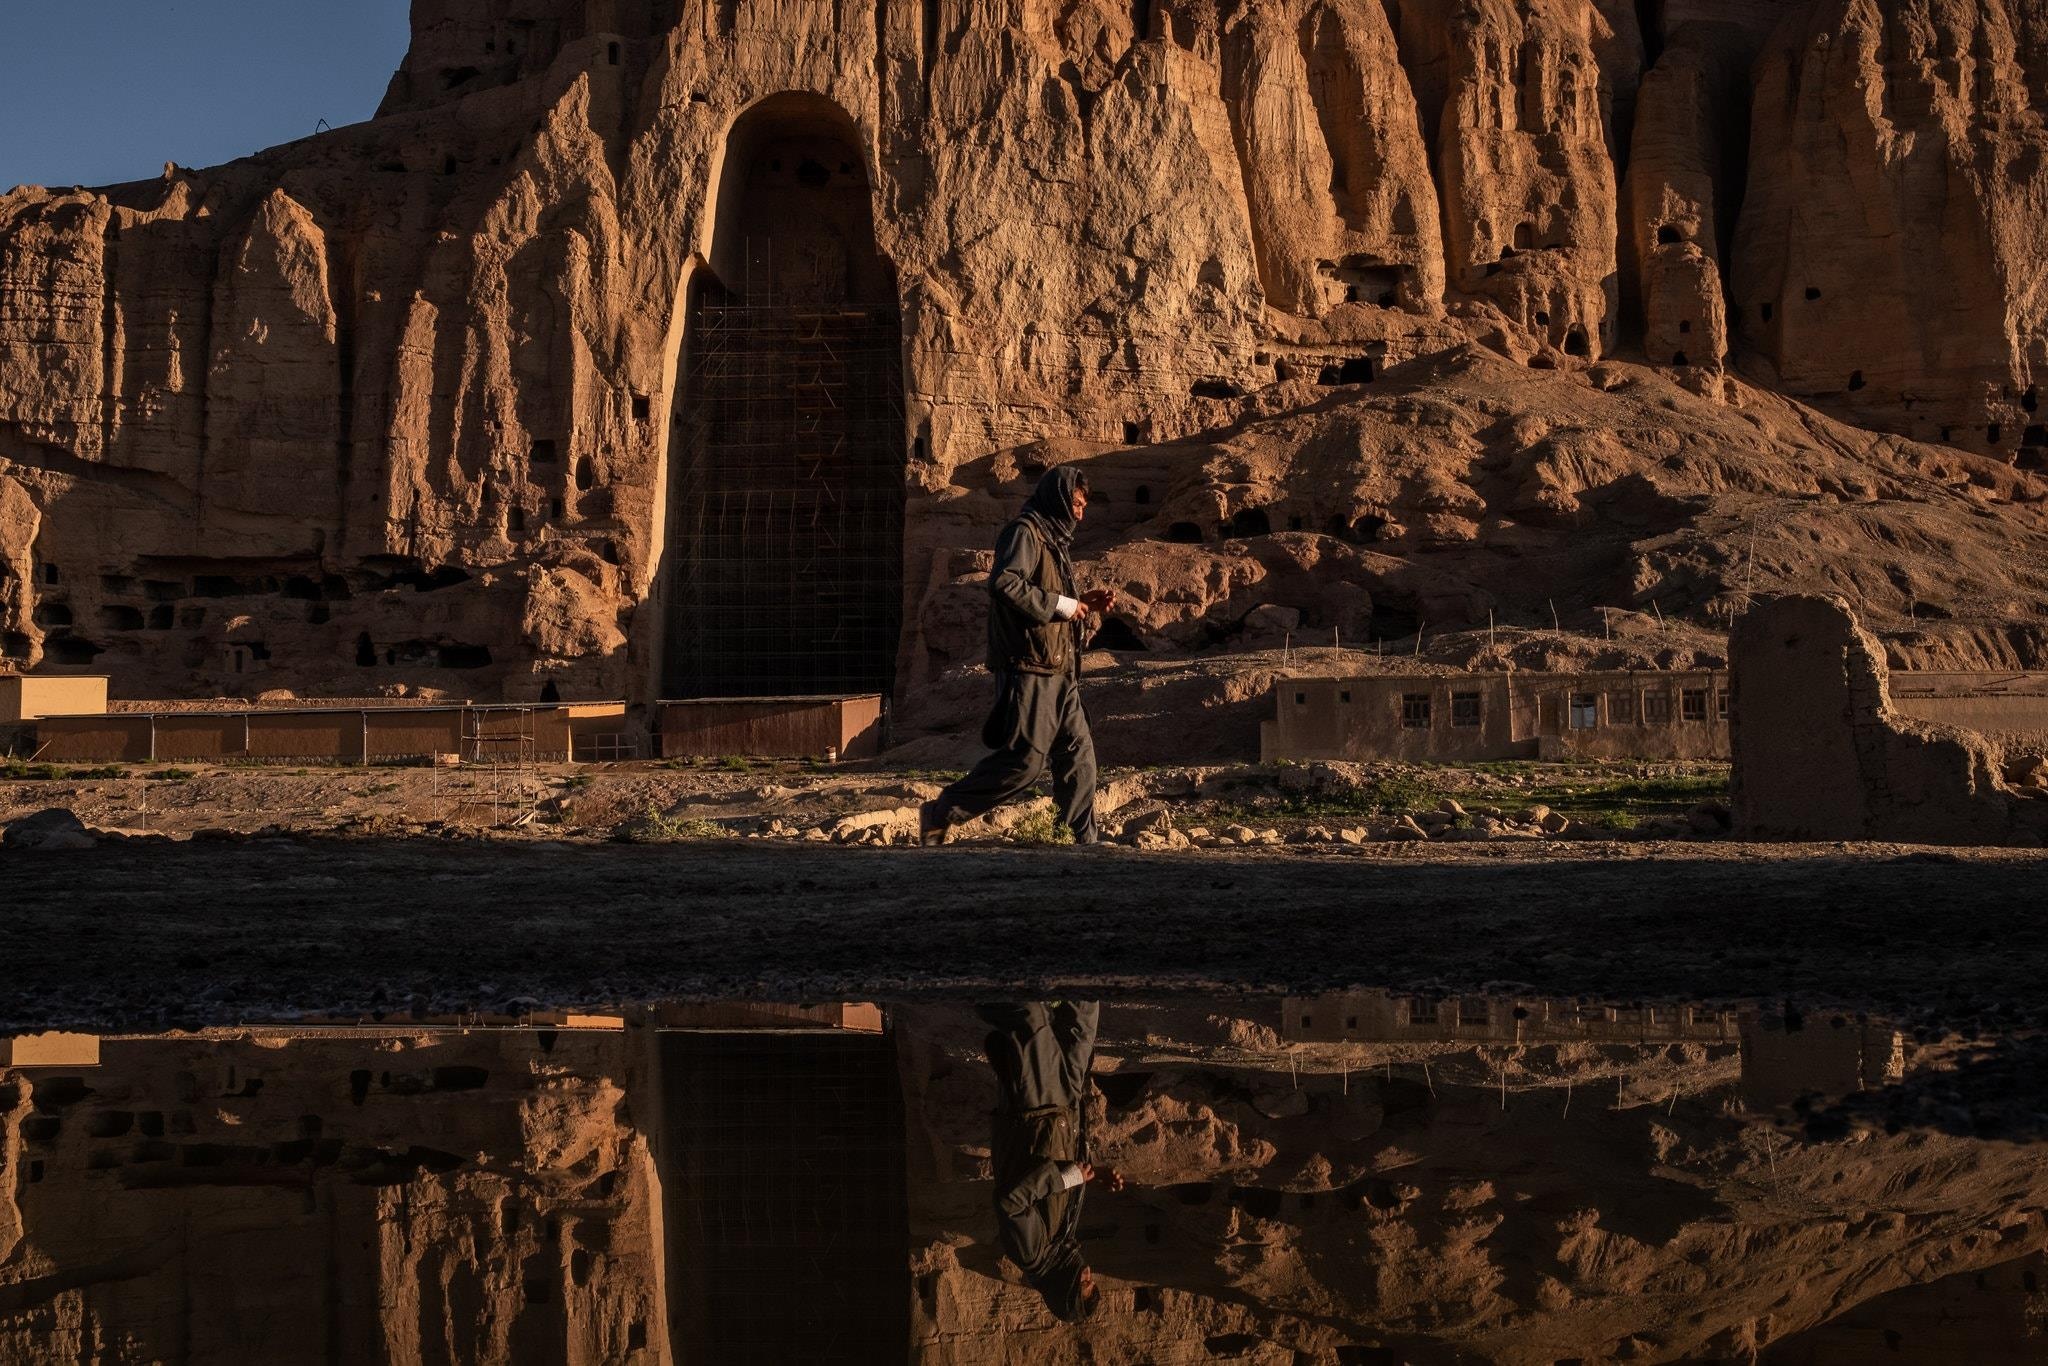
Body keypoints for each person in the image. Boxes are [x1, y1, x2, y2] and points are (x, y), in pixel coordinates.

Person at [921, 466, 1115, 846]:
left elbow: (1051, 602)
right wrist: (1062, 605)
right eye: (1075, 504)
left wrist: (1080, 604)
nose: (1080, 514)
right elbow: (1005, 584)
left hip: (1060, 672)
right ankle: (942, 811)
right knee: (1025, 764)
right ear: (1058, 499)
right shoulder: (1025, 532)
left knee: (1079, 758)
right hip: (1030, 670)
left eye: (1083, 507)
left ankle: (1081, 842)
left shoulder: (1053, 542)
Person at [979, 1001, 1124, 1322]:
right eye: (1091, 1280)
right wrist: (1092, 1174)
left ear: (1065, 1286)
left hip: (1036, 1110)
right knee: (1083, 1018)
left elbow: (1011, 1203)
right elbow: (1067, 1172)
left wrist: (1067, 1179)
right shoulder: (1063, 1242)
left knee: (1029, 1016)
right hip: (1066, 1110)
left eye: (1082, 1282)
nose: (1088, 1272)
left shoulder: (1033, 1255)